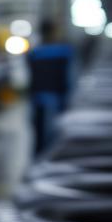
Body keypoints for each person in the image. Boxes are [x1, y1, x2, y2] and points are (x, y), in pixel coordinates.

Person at [26, 18, 75, 155]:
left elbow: (31, 79)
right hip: (59, 100)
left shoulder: (34, 53)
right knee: (57, 137)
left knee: (40, 137)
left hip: (39, 100)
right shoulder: (65, 52)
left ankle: (38, 165)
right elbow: (70, 78)